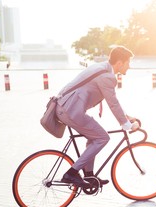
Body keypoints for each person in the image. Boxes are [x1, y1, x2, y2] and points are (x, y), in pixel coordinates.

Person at [56, 45, 139, 188]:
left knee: (95, 137)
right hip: (70, 110)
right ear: (120, 62)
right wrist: (127, 125)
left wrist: (126, 117)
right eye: (128, 63)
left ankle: (88, 175)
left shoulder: (102, 68)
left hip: (66, 107)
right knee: (102, 137)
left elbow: (111, 100)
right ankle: (72, 173)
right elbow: (113, 103)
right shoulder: (107, 76)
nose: (129, 66)